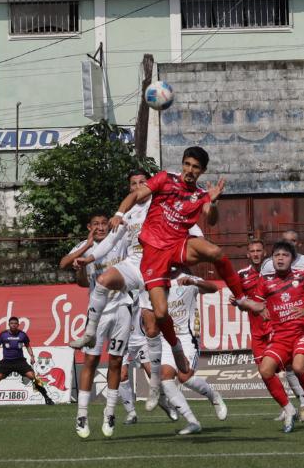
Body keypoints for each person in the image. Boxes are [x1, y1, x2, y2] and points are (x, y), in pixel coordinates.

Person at [108, 147, 263, 377]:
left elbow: (210, 218)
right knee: (160, 314)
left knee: (216, 252)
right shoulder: (164, 179)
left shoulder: (200, 195)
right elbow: (135, 195)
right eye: (188, 164)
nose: (190, 170)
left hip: (177, 245)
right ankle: (176, 347)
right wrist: (119, 214)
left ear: (202, 171)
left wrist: (214, 202)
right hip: (153, 251)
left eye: (196, 167)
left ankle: (241, 299)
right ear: (182, 163)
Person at [70, 171, 188, 422]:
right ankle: (127, 409)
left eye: (141, 183)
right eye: (132, 185)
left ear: (150, 185)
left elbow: (186, 231)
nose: (137, 188)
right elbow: (110, 242)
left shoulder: (163, 208)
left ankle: (168, 367)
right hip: (132, 276)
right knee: (103, 282)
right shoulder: (129, 217)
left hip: (151, 274)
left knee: (157, 320)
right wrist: (89, 257)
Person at [59, 211, 129, 438]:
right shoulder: (85, 247)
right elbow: (66, 267)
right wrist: (85, 248)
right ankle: (81, 415)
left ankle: (110, 413)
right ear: (89, 226)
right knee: (90, 360)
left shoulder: (119, 239)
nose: (100, 227)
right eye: (95, 224)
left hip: (122, 308)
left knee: (116, 360)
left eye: (103, 224)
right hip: (98, 313)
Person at [250, 241, 304, 432]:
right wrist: (260, 311)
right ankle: (288, 409)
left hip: (302, 331)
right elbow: (256, 305)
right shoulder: (265, 281)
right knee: (265, 370)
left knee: (298, 366)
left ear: (292, 259)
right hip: (280, 336)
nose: (280, 258)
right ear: (272, 259)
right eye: (276, 255)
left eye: (285, 255)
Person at [154, 269, 226, 436]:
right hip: (166, 338)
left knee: (184, 376)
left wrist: (194, 282)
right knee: (166, 378)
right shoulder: (156, 282)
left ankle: (214, 396)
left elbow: (213, 288)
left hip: (187, 337)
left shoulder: (186, 278)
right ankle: (192, 422)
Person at [239, 239, 296, 424]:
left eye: (258, 251)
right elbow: (241, 304)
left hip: (274, 327)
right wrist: (239, 302)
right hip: (256, 332)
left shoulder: (275, 273)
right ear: (248, 254)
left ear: (264, 253)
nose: (255, 254)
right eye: (252, 251)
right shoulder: (241, 276)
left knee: (287, 368)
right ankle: (287, 406)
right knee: (265, 373)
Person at [0, 317, 54, 407]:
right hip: (7, 362)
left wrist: (32, 356)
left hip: (20, 362)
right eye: (11, 323)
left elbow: (28, 346)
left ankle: (47, 398)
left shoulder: (22, 335)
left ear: (18, 325)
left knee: (34, 377)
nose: (13, 325)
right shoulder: (3, 335)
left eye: (15, 323)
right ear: (9, 324)